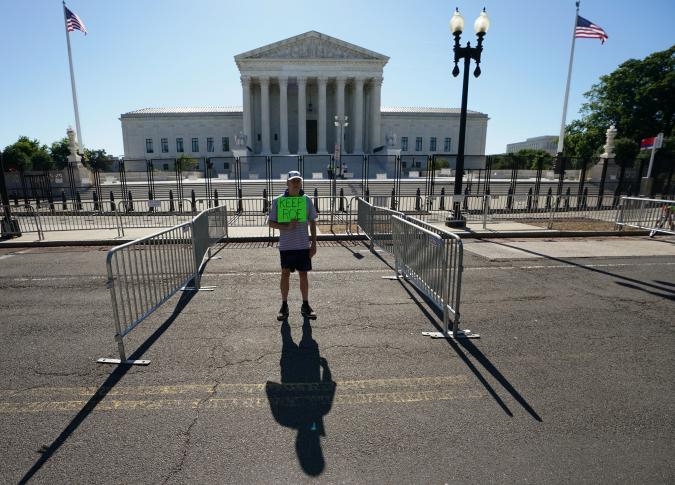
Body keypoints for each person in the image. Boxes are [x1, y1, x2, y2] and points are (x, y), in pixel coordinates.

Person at [268, 170, 318, 321]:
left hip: (303, 244)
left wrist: (314, 243)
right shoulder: (278, 201)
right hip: (286, 246)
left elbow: (313, 222)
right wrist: (287, 227)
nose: (296, 183)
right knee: (285, 274)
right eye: (293, 181)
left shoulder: (307, 200)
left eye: (298, 181)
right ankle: (284, 305)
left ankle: (305, 304)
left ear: (301, 182)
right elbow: (270, 223)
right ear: (287, 183)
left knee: (304, 275)